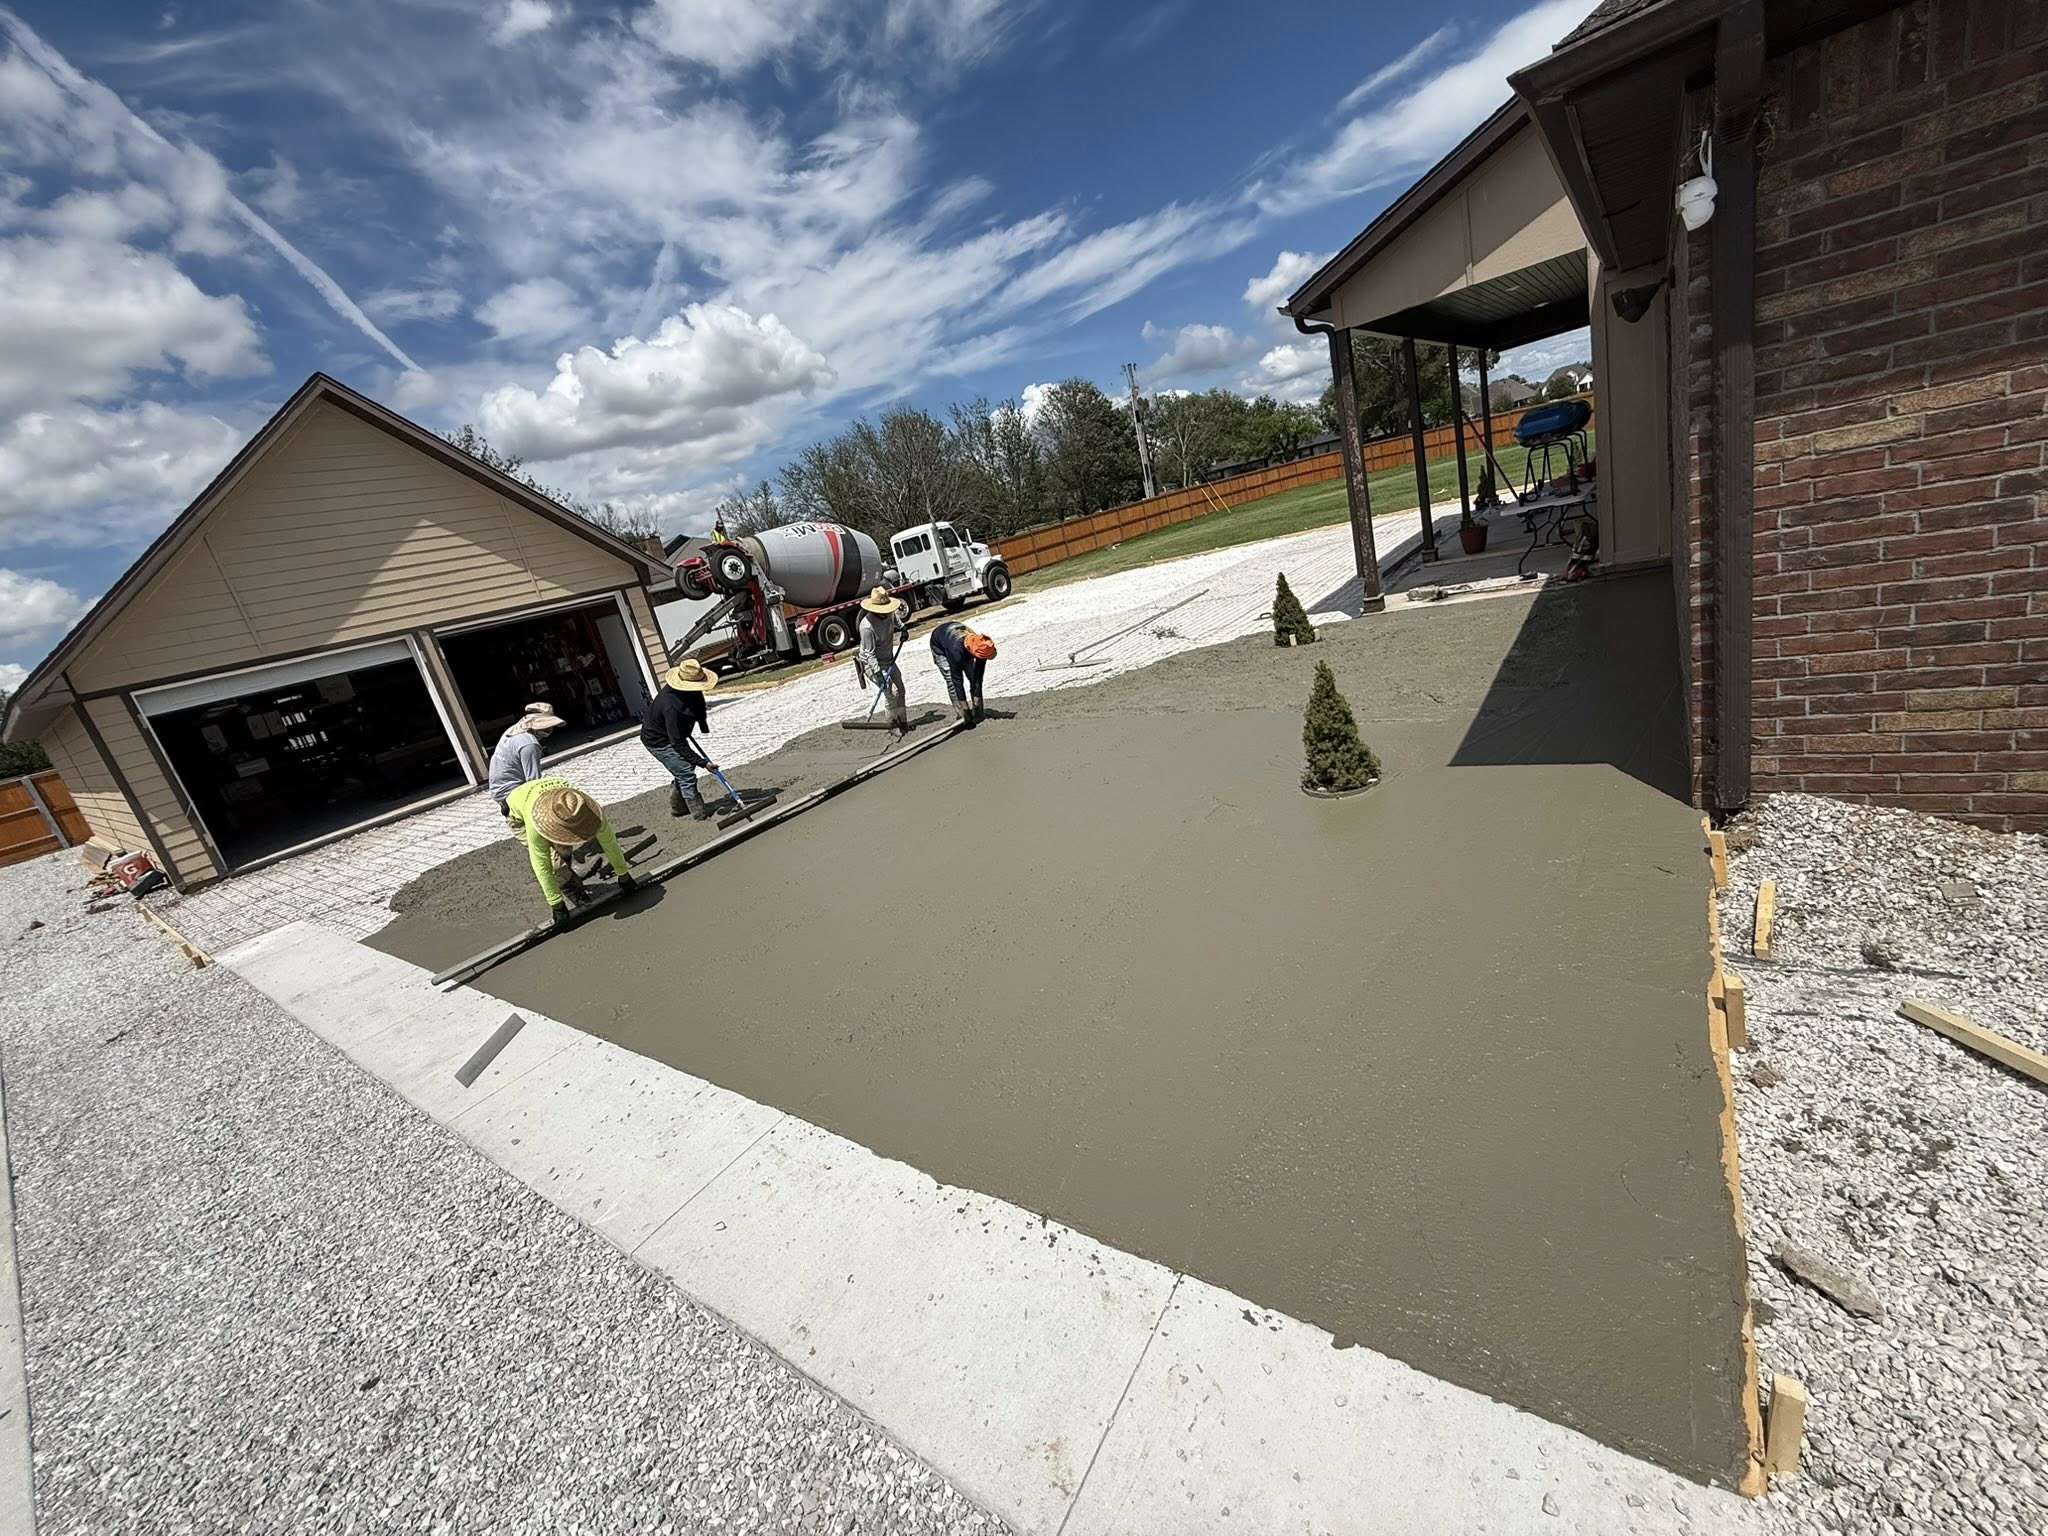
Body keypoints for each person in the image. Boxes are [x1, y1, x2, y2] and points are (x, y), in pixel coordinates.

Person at [503, 777, 635, 927]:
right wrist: (556, 904)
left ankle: (571, 875)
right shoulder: (535, 824)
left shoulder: (586, 809)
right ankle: (573, 890)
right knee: (555, 864)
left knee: (564, 849)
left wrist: (623, 874)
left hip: (551, 801)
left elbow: (609, 842)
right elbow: (541, 865)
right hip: (516, 814)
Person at [640, 657, 721, 819]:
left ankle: (677, 806)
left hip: (672, 732)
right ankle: (699, 813)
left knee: (684, 769)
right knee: (686, 772)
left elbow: (698, 709)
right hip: (657, 741)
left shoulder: (691, 692)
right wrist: (703, 763)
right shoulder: (671, 706)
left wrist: (701, 726)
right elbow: (677, 743)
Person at [486, 703, 565, 814]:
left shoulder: (513, 731)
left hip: (498, 791)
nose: (551, 730)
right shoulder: (530, 744)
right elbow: (534, 782)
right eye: (548, 727)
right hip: (511, 793)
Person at [855, 586, 910, 734]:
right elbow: (869, 654)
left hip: (889, 659)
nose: (886, 613)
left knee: (900, 688)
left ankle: (903, 721)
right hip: (872, 664)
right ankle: (892, 725)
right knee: (889, 692)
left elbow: (897, 621)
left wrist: (903, 629)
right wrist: (879, 674)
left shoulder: (889, 614)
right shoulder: (867, 627)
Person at [929, 620, 996, 726]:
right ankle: (961, 714)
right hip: (939, 645)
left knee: (972, 675)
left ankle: (978, 710)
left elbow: (978, 677)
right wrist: (966, 711)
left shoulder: (981, 645)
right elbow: (957, 681)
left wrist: (978, 705)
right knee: (950, 680)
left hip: (960, 643)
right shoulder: (956, 652)